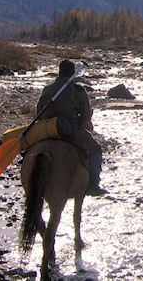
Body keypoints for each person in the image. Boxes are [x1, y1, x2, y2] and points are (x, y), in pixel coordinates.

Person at [36, 60, 107, 196]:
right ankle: (93, 184)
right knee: (96, 150)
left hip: (48, 129)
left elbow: (39, 112)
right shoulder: (78, 91)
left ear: (59, 71)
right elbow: (86, 114)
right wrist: (80, 124)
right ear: (72, 73)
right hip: (70, 130)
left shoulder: (48, 89)